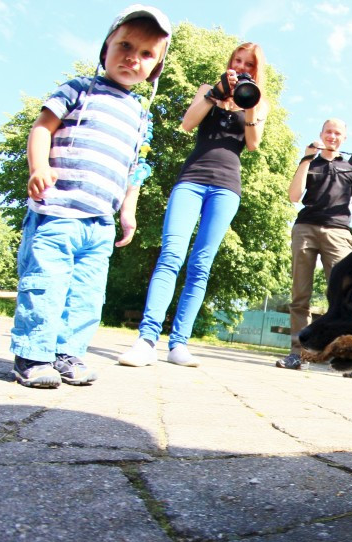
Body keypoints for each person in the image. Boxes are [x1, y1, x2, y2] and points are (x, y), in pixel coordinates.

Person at [10, 5, 172, 388]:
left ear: (155, 68)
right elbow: (41, 128)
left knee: (86, 293)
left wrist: (127, 212)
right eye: (125, 46)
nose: (133, 57)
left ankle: (68, 353)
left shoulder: (140, 115)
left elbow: (134, 169)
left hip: (99, 224)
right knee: (46, 284)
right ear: (106, 49)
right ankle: (32, 356)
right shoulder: (80, 88)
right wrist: (38, 167)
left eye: (147, 54)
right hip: (57, 210)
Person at [118, 42, 269, 368]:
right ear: (230, 64)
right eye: (237, 61)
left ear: (256, 71)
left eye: (249, 64)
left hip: (227, 188)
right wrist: (216, 92)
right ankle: (146, 340)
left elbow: (253, 144)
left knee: (201, 265)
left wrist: (251, 104)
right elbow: (187, 124)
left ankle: (179, 344)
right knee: (171, 255)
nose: (242, 67)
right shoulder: (208, 90)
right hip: (192, 180)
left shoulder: (258, 104)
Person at [276, 118, 352, 380]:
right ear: (321, 134)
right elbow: (293, 196)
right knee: (300, 294)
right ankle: (298, 355)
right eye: (328, 132)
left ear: (344, 138)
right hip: (306, 228)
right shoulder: (311, 163)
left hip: (338, 232)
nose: (333, 137)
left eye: (337, 133)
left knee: (347, 296)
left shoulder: (351, 168)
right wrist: (305, 159)